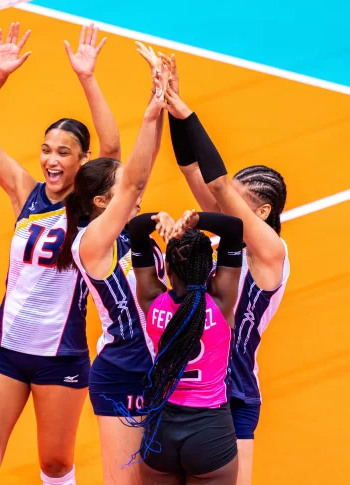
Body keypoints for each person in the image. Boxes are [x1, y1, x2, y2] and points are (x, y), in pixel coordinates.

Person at [0, 22, 121, 485]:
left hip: (61, 355)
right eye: (46, 149)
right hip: (6, 350)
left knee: (54, 464)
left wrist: (88, 79)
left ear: (82, 161)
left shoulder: (92, 208)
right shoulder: (23, 193)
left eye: (64, 152)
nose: (51, 159)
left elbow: (112, 150)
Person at [161, 53, 290, 485]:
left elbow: (216, 184)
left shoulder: (270, 252)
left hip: (233, 390)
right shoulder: (230, 238)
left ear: (264, 209)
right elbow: (191, 169)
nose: (226, 201)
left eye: (240, 197)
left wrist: (188, 112)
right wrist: (171, 103)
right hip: (192, 382)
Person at [55, 60, 169, 485]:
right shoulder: (91, 243)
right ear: (103, 202)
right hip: (122, 373)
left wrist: (158, 100)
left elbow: (145, 166)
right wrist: (149, 114)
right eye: (123, 190)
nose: (137, 191)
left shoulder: (128, 234)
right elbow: (135, 183)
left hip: (165, 366)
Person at [129, 209, 243, 484]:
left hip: (161, 429)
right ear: (210, 269)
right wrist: (197, 220)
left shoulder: (152, 302)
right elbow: (235, 229)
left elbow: (135, 229)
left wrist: (159, 218)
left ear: (167, 270)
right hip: (210, 431)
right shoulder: (220, 303)